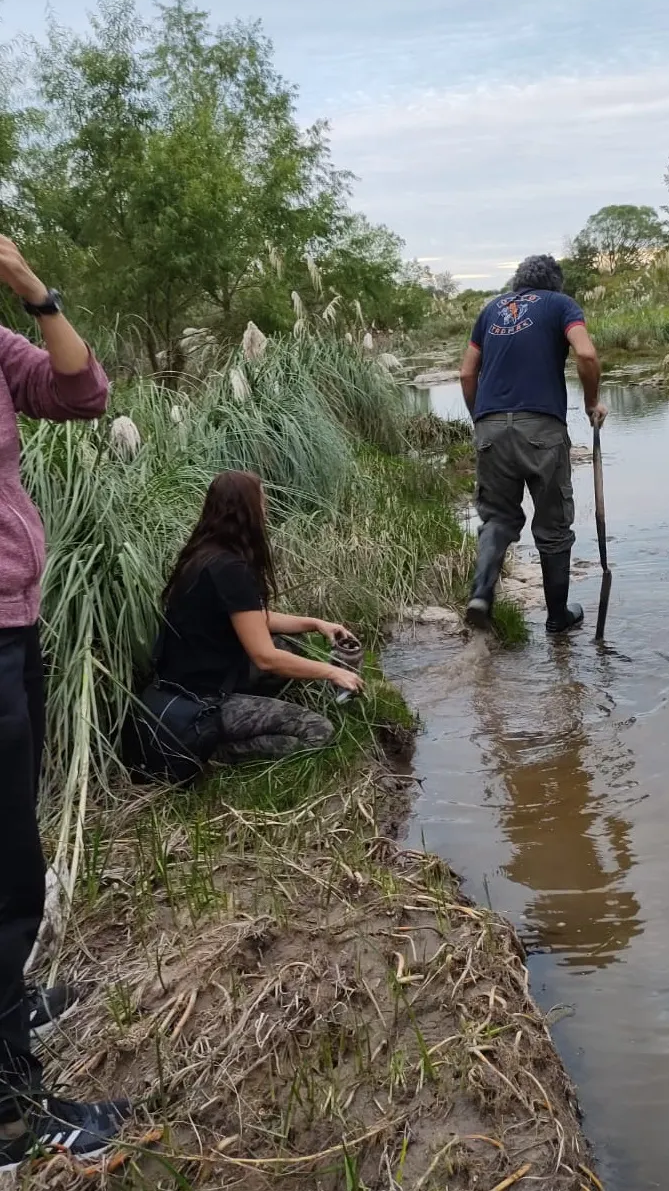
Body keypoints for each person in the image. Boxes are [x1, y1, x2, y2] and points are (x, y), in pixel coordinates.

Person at [0, 235, 131, 1169]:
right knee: (2, 872)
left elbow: (83, 393)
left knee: (16, 850)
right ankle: (12, 1112)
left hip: (17, 624)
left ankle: (9, 1001)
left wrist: (31, 288)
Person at [136, 470, 363, 778]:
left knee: (289, 643)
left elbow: (254, 619)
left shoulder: (204, 555)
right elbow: (265, 657)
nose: (266, 509)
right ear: (245, 510)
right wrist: (332, 671)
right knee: (318, 731)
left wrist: (316, 623)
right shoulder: (231, 569)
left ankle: (245, 718)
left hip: (187, 679)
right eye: (262, 501)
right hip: (202, 700)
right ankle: (214, 752)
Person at [459, 254, 606, 634]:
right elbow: (586, 353)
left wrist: (481, 421)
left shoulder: (491, 309)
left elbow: (467, 373)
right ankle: (557, 617)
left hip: (490, 427)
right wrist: (592, 401)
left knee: (498, 517)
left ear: (518, 281)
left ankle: (481, 595)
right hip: (541, 428)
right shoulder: (561, 305)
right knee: (553, 524)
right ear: (555, 283)